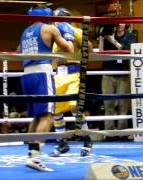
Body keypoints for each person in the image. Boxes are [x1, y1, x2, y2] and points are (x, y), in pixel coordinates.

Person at [18, 6, 74, 171]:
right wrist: (67, 33)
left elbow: (18, 52)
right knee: (48, 116)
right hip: (42, 74)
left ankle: (31, 155)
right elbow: (69, 49)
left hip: (26, 75)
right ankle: (35, 158)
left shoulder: (25, 32)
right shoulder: (49, 28)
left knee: (37, 116)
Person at [51, 7, 93, 157]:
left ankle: (87, 139)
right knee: (56, 111)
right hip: (58, 75)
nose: (54, 22)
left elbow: (90, 48)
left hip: (74, 72)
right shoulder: (55, 35)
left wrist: (76, 39)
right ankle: (62, 144)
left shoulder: (75, 31)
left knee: (75, 108)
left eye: (56, 19)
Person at [99, 23, 137, 136]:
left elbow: (128, 51)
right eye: (118, 22)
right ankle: (109, 133)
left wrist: (113, 41)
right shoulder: (109, 34)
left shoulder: (130, 36)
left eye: (122, 22)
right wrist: (102, 38)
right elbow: (101, 52)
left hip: (123, 74)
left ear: (126, 25)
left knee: (123, 104)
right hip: (107, 73)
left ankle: (122, 133)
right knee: (108, 104)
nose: (120, 24)